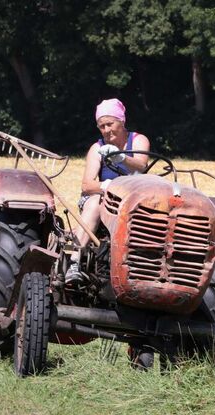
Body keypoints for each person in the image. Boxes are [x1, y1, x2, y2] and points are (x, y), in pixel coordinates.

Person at [66, 98, 151, 284]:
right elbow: (87, 185)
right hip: (102, 199)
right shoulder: (97, 148)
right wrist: (107, 186)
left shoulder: (138, 140)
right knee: (97, 203)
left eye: (110, 124)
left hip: (132, 200)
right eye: (101, 126)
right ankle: (74, 260)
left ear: (122, 121)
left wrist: (121, 158)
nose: (106, 130)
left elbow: (141, 165)